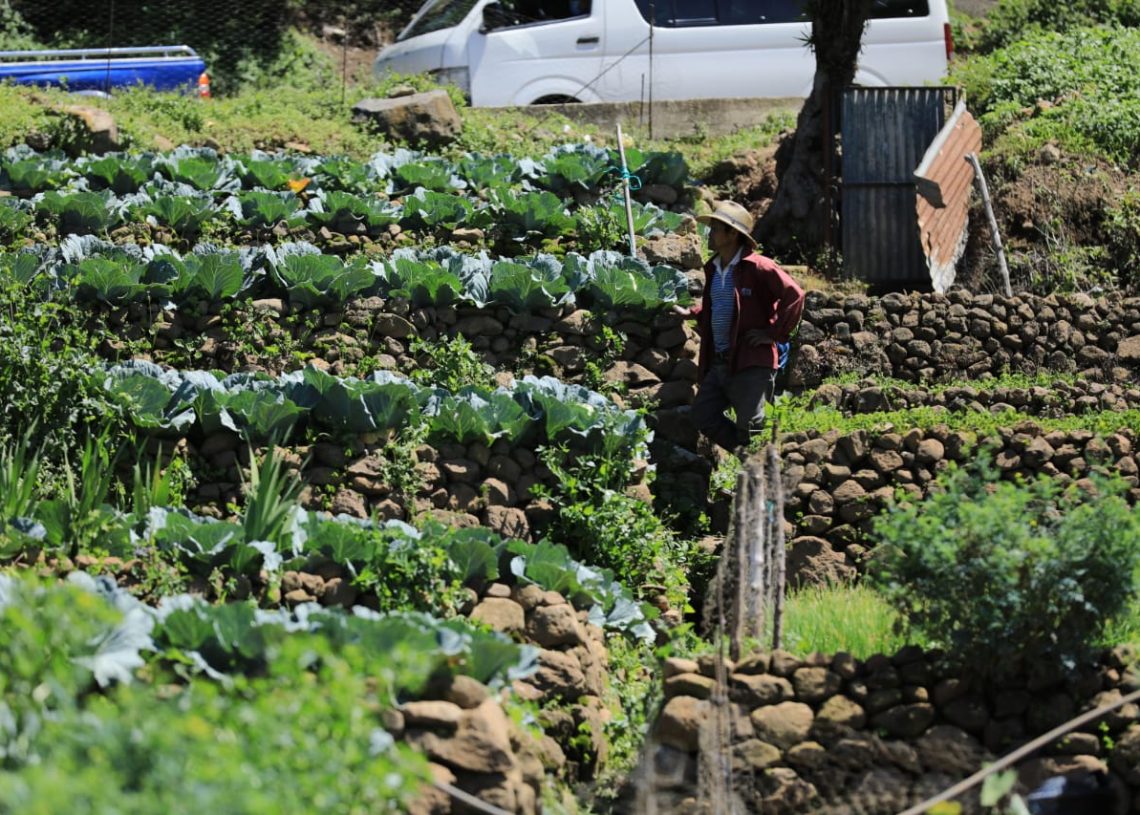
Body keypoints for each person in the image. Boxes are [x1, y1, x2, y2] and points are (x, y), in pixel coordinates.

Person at [673, 200, 805, 453]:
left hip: (751, 362)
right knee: (703, 414)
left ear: (732, 234)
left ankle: (763, 472)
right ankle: (747, 458)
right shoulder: (714, 267)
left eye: (715, 229)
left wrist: (774, 334)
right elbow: (720, 308)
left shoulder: (759, 267)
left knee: (752, 425)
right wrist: (691, 313)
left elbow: (796, 295)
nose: (709, 234)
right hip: (722, 361)